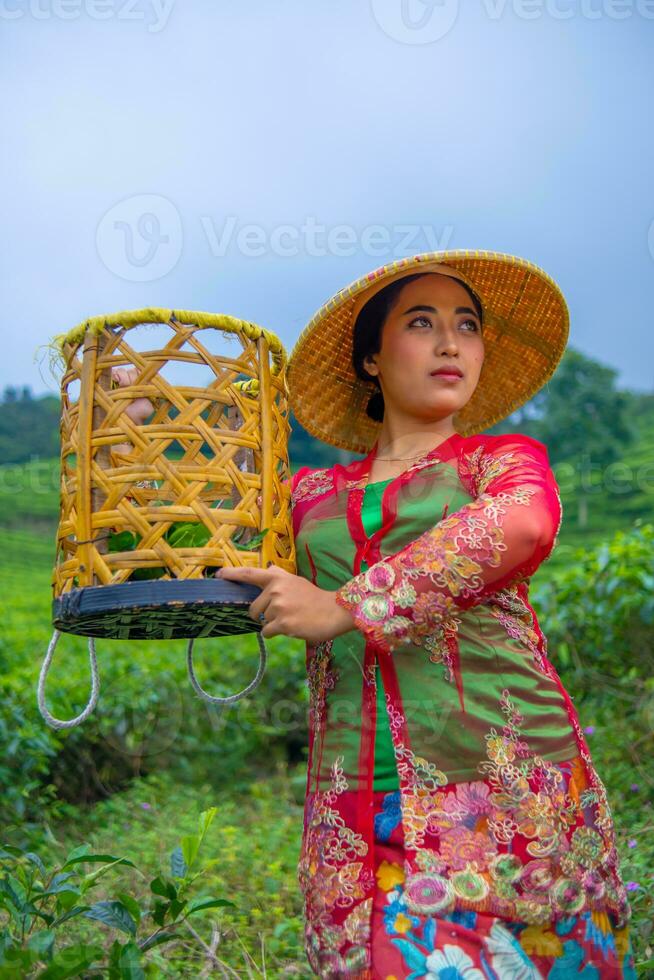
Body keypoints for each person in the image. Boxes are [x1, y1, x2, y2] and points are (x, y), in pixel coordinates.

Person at [217, 251, 637, 979]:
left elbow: (524, 525)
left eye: (466, 326)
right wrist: (146, 414)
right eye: (422, 323)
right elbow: (198, 535)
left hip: (504, 795)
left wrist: (347, 605)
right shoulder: (307, 495)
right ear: (373, 359)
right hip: (352, 809)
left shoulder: (499, 462)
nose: (451, 343)